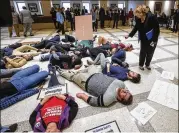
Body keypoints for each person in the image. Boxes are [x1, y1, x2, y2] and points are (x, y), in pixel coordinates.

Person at [29, 66, 78, 132]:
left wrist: (42, 102)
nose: (48, 131)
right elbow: (74, 106)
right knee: (55, 82)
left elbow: (32, 117)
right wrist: (63, 98)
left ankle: (52, 71)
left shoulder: (38, 127)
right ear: (58, 131)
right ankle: (52, 71)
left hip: (47, 97)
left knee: (51, 84)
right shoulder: (66, 120)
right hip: (60, 94)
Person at [58, 65, 133, 107]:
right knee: (92, 66)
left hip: (86, 81)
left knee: (72, 77)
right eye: (127, 92)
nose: (125, 91)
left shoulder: (109, 99)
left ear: (120, 99)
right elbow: (125, 87)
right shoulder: (122, 84)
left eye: (125, 94)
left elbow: (94, 102)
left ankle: (60, 71)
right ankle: (78, 72)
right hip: (95, 73)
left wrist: (82, 95)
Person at [125, 5, 160, 70]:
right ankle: (141, 65)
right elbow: (136, 27)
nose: (136, 16)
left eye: (137, 15)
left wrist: (154, 41)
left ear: (142, 13)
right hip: (143, 38)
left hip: (152, 38)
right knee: (143, 52)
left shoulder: (151, 17)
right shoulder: (137, 18)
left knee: (150, 52)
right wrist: (129, 35)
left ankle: (147, 64)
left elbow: (157, 30)